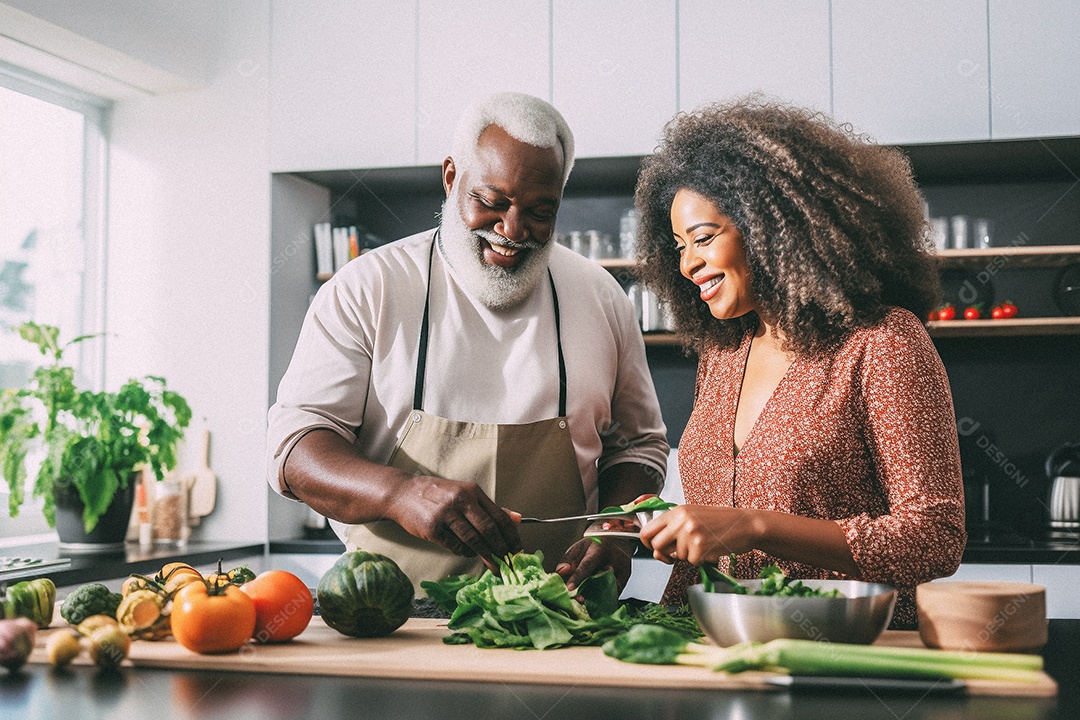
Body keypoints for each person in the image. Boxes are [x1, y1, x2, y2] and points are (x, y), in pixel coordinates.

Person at [266, 92, 669, 592]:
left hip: (561, 614)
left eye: (541, 211)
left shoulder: (600, 296)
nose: (512, 229)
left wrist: (614, 533)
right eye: (491, 202)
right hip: (395, 618)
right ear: (452, 177)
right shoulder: (368, 287)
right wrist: (399, 493)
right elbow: (296, 450)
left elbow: (638, 449)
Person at [633, 97, 966, 628]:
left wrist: (753, 526)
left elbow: (934, 538)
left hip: (836, 644)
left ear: (771, 225)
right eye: (676, 245)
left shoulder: (881, 342)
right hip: (707, 638)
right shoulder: (724, 352)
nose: (687, 263)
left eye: (702, 238)